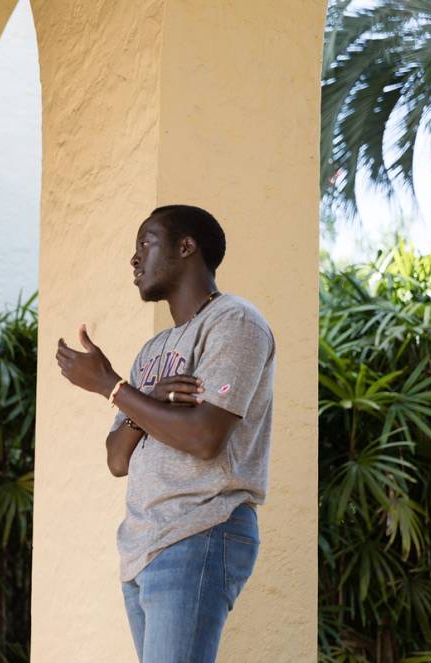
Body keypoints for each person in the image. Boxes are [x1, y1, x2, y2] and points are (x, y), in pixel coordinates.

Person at [55, 205, 275, 663]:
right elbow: (117, 459)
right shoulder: (153, 349)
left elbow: (204, 438)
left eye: (145, 243)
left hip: (200, 529)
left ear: (186, 247)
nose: (134, 259)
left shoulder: (235, 322)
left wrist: (110, 386)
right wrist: (142, 399)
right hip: (142, 545)